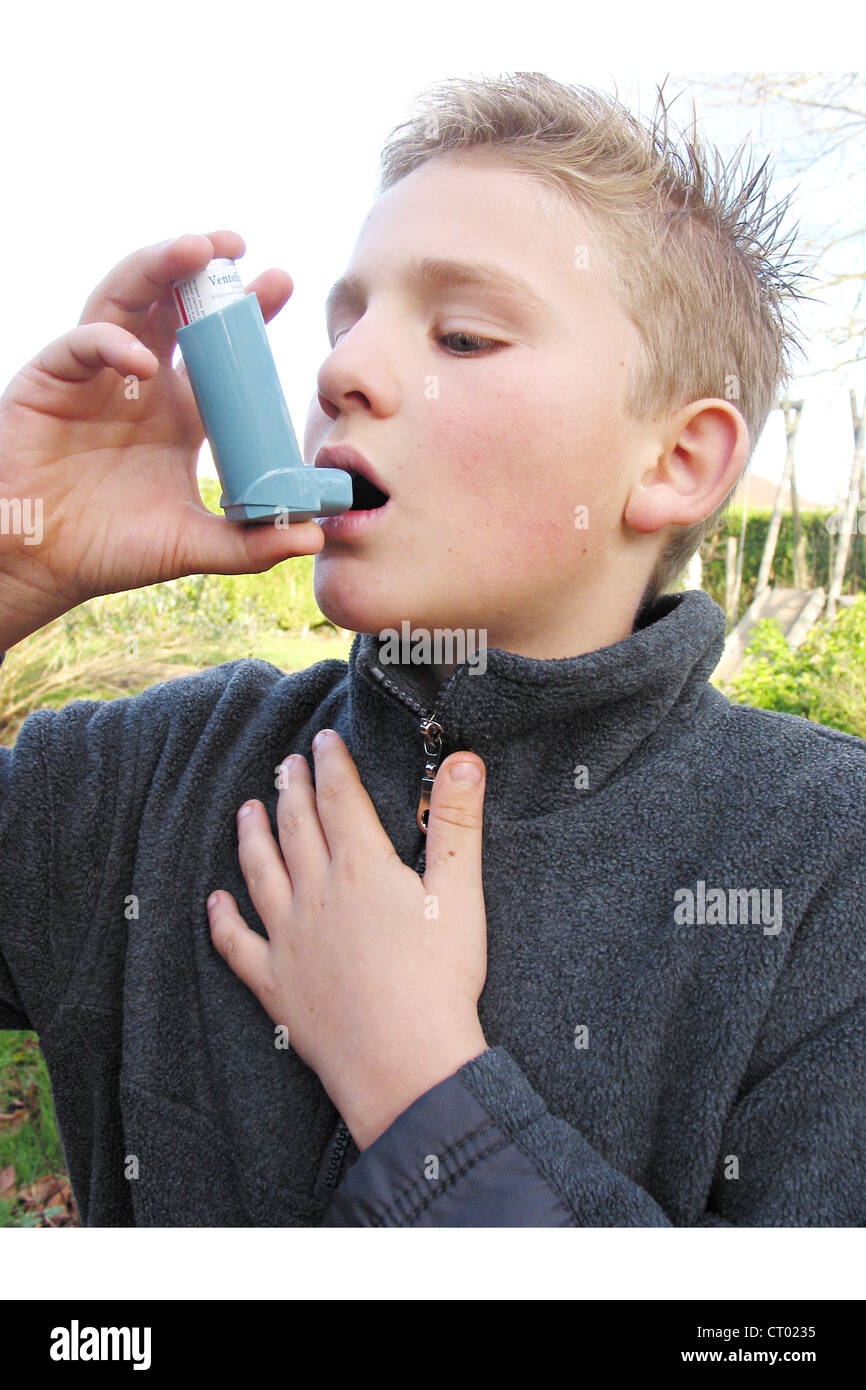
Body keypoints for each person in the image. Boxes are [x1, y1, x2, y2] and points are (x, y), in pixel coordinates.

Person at [1, 73, 863, 1226]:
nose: (336, 373)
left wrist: (418, 1089)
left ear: (674, 463)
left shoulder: (821, 862)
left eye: (462, 333)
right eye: (345, 323)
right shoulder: (149, 775)